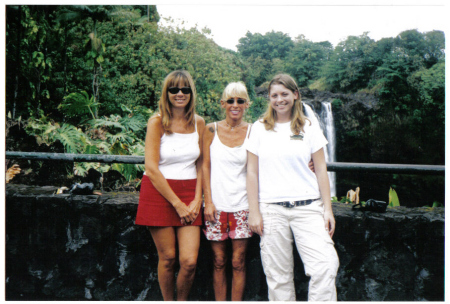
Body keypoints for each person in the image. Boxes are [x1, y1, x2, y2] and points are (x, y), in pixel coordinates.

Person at [246, 74, 339, 301]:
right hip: (271, 210)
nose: (280, 100)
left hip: (308, 207)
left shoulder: (309, 127)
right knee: (278, 277)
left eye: (284, 94)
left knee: (325, 266)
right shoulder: (258, 128)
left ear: (295, 95)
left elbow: (321, 170)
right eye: (274, 95)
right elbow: (251, 172)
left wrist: (327, 209)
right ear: (269, 99)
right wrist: (254, 212)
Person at [135, 70, 205, 301]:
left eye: (185, 89)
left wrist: (197, 199)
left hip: (189, 191)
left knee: (189, 261)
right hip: (159, 192)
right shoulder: (157, 122)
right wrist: (177, 204)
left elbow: (201, 163)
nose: (180, 93)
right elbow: (152, 168)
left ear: (191, 93)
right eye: (174, 89)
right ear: (166, 93)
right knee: (167, 258)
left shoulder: (199, 123)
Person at [202, 82, 253, 301]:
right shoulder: (210, 129)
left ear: (247, 104)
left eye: (240, 100)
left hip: (243, 206)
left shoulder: (253, 131)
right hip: (216, 206)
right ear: (222, 104)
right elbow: (204, 166)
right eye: (230, 100)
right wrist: (208, 202)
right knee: (219, 260)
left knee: (238, 261)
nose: (235, 105)